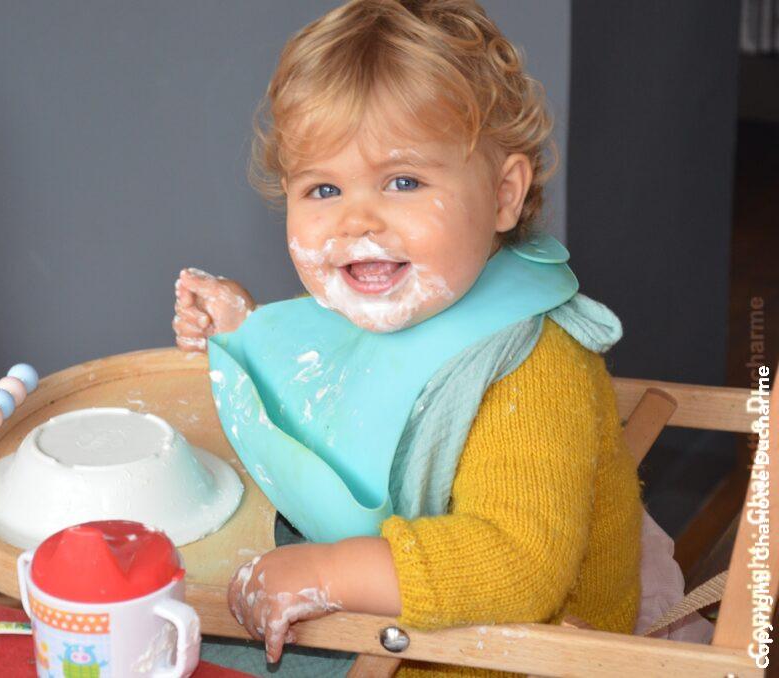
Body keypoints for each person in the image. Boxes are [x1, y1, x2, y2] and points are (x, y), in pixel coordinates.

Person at [172, 2, 697, 675]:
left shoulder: (527, 367)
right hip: (396, 596)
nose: (356, 219)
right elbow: (329, 376)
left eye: (404, 181)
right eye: (324, 187)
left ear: (504, 195)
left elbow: (517, 566)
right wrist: (246, 329)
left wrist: (325, 572)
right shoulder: (396, 293)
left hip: (488, 653)